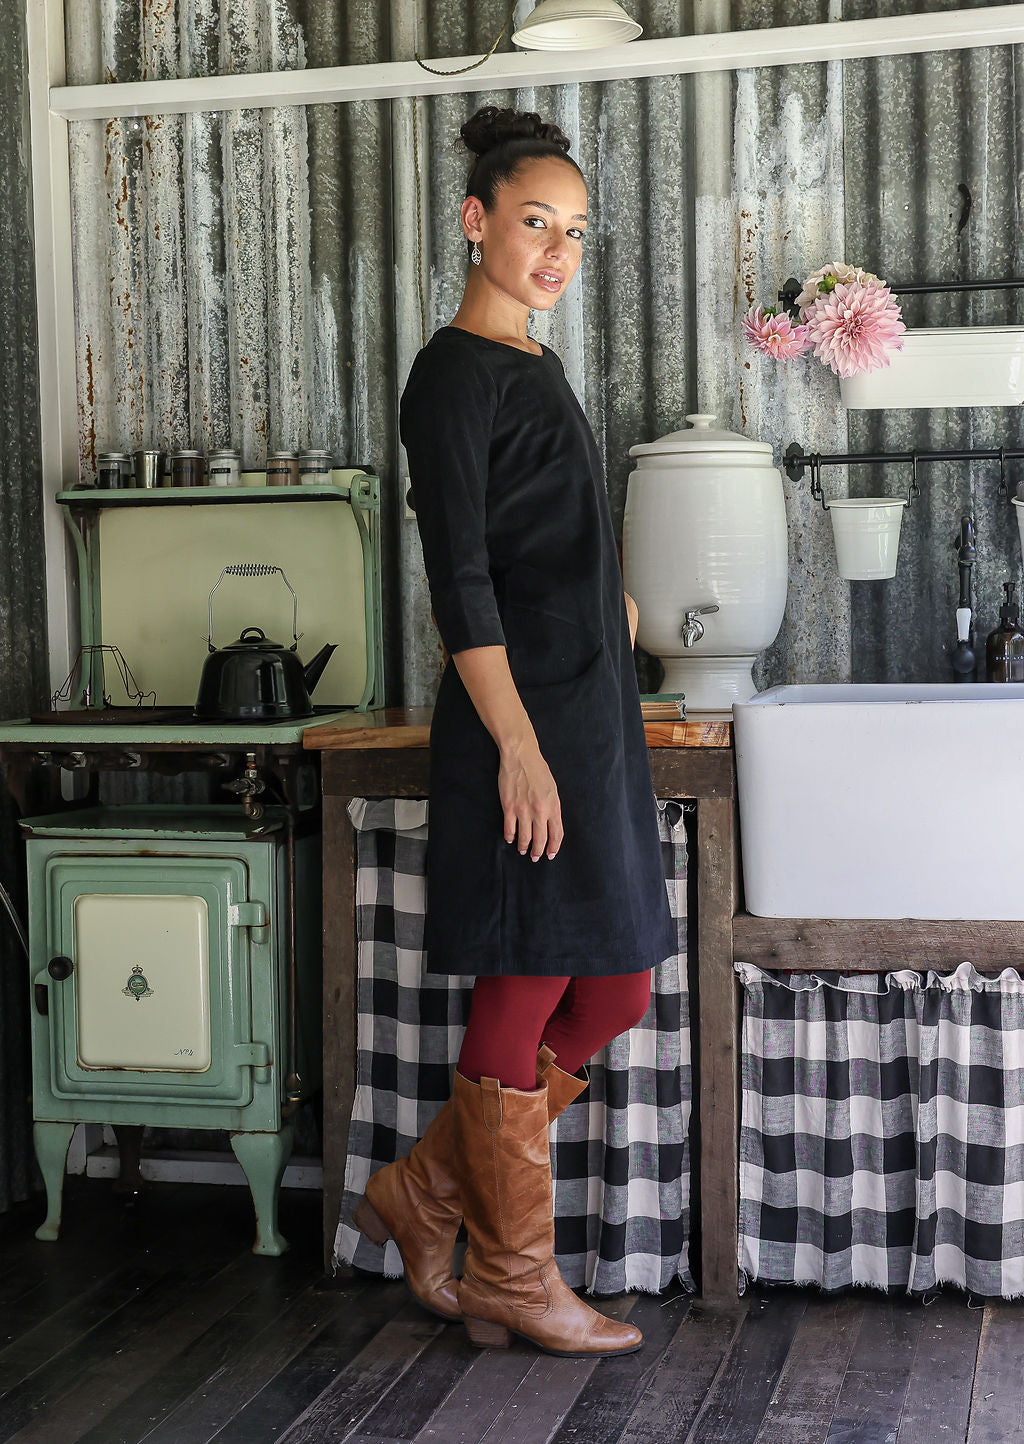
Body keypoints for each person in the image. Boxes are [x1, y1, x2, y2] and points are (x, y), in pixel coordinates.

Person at [353, 105, 675, 1359]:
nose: (556, 249)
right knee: (537, 971)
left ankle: (422, 1195)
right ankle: (511, 1273)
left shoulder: (534, 364)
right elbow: (464, 584)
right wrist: (520, 748)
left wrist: (614, 601)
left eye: (576, 233)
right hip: (522, 722)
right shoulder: (450, 373)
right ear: (477, 219)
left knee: (619, 979)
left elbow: (541, 536)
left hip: (588, 710)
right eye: (534, 221)